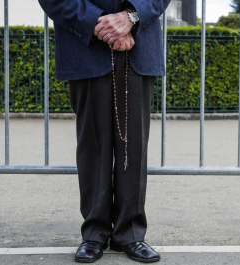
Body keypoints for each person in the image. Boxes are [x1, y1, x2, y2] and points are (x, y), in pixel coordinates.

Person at [38, 0, 171, 263]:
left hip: (138, 44)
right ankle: (94, 233)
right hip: (84, 46)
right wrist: (101, 24)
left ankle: (130, 233)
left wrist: (130, 17)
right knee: (93, 145)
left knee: (132, 146)